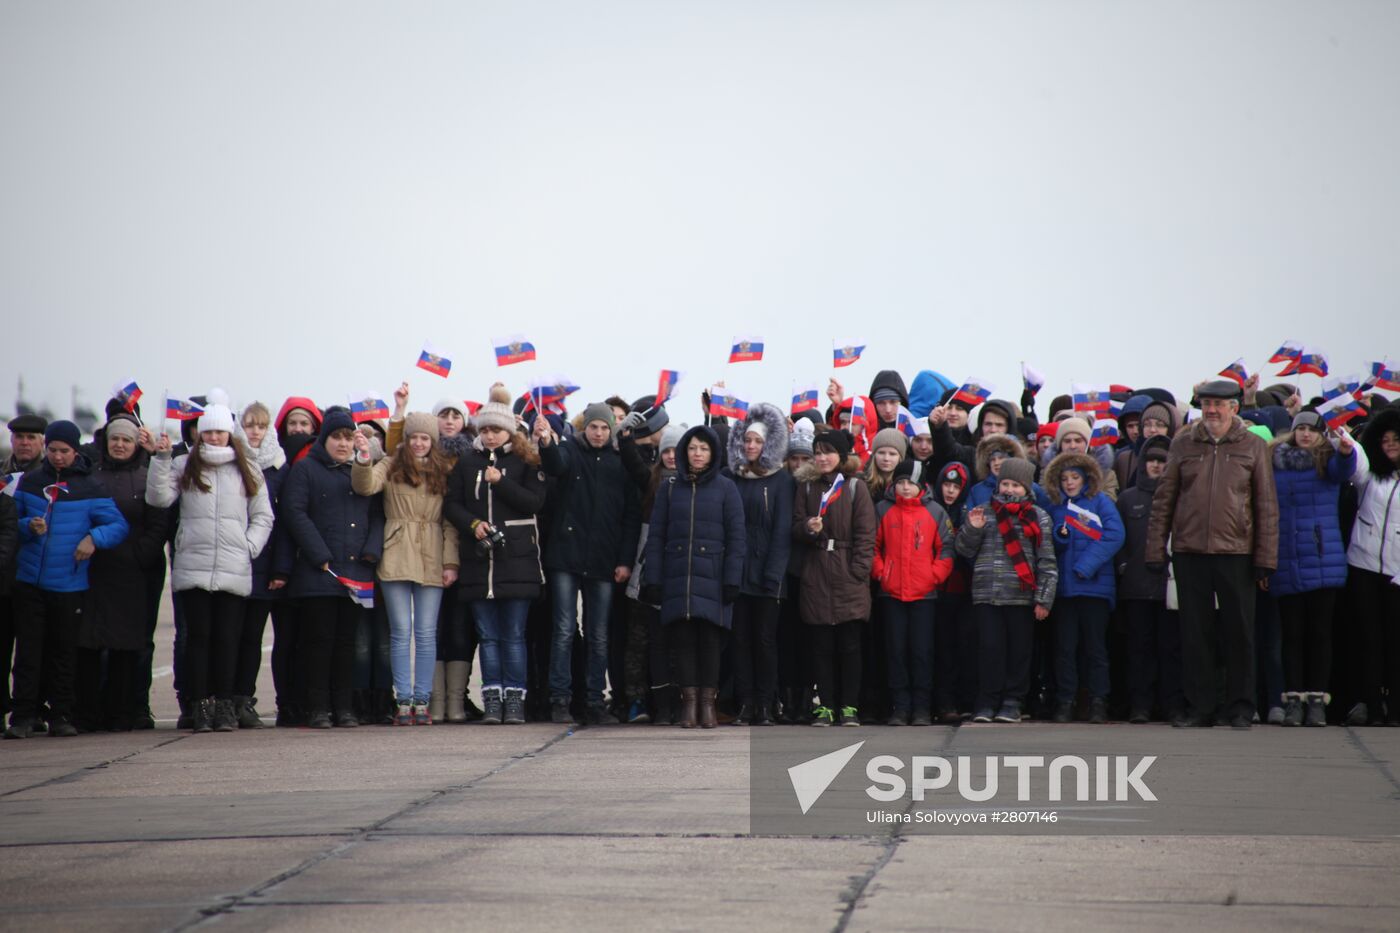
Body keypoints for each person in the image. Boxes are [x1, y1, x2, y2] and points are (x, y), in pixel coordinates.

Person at [1146, 379, 1278, 729]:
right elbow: (1164, 499)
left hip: (1236, 552)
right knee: (1195, 634)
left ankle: (1240, 708)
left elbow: (1266, 504)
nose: (1211, 410)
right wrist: (1156, 548)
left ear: (1234, 407)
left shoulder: (1253, 445)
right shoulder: (1183, 443)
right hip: (1189, 550)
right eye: (1206, 404)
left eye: (1218, 405)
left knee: (1239, 633)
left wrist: (1265, 558)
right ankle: (1200, 708)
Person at [146, 405, 274, 732]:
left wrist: (248, 546)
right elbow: (159, 499)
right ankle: (201, 704)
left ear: (230, 434)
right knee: (198, 639)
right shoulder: (183, 464)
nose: (214, 437)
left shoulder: (247, 468)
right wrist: (160, 459)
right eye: (209, 432)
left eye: (220, 432)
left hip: (233, 566)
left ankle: (225, 705)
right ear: (199, 433)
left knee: (227, 639)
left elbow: (263, 516)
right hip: (194, 565)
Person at [6, 421, 129, 739]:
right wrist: (27, 526)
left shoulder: (90, 486)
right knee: (28, 653)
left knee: (63, 653)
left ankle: (61, 714)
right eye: (53, 450)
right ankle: (23, 715)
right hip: (30, 581)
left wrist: (93, 538)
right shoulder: (31, 482)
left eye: (64, 451)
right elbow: (9, 520)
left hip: (69, 584)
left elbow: (117, 525)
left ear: (75, 451)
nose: (58, 457)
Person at [534, 402, 641, 725]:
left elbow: (630, 518)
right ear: (585, 427)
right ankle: (560, 699)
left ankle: (595, 701)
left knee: (599, 634)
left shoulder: (619, 462)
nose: (598, 433)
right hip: (566, 556)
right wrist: (546, 442)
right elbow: (555, 464)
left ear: (612, 430)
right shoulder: (570, 449)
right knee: (564, 630)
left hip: (604, 560)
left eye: (605, 428)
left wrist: (625, 560)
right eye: (594, 427)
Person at [277, 408, 384, 729]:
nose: (342, 443)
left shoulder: (360, 471)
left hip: (355, 573)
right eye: (336, 437)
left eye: (348, 437)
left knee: (346, 643)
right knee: (319, 642)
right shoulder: (306, 469)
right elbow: (294, 512)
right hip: (320, 572)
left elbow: (377, 514)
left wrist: (371, 551)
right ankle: (318, 707)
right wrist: (318, 553)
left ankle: (344, 707)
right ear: (324, 439)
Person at [446, 389, 546, 726]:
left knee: (513, 635)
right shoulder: (467, 462)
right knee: (488, 636)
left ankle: (515, 699)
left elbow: (534, 502)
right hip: (479, 564)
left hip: (517, 562)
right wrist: (473, 524)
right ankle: (492, 698)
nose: (490, 436)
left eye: (496, 430)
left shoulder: (526, 460)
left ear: (509, 432)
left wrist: (501, 481)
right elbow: (452, 504)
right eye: (485, 430)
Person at [353, 409, 459, 726]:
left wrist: (450, 562)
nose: (419, 443)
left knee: (426, 633)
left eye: (425, 438)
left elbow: (450, 522)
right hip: (397, 551)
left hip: (432, 553)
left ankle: (422, 701)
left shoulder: (444, 470)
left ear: (433, 441)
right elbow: (364, 486)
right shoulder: (390, 464)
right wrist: (363, 458)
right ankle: (403, 701)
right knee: (400, 632)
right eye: (414, 437)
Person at [642, 426, 745, 729]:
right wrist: (654, 578)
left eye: (704, 448)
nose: (697, 454)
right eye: (692, 448)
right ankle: (689, 705)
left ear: (713, 453)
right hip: (679, 577)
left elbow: (737, 538)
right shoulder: (669, 488)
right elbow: (656, 536)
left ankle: (708, 705)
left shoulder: (727, 488)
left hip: (713, 576)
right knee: (683, 641)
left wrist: (732, 579)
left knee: (710, 641)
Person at [1270, 411, 1365, 726]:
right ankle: (1293, 701)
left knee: (1320, 634)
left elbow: (1344, 470)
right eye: (1301, 428)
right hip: (1286, 556)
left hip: (1323, 557)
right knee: (1292, 635)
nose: (1306, 434)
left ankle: (1317, 702)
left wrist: (1346, 450)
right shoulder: (1276, 463)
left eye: (1312, 429)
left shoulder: (1327, 461)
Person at [77, 415, 169, 732]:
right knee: (90, 642)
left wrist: (140, 555)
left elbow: (159, 522)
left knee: (128, 644)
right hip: (94, 569)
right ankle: (89, 711)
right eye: (114, 439)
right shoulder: (91, 477)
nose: (119, 445)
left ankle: (125, 710)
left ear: (135, 445)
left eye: (126, 440)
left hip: (133, 572)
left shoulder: (147, 477)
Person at [955, 456, 1057, 724]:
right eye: (1005, 484)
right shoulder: (983, 511)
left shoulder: (1038, 516)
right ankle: (987, 701)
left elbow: (1046, 560)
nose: (1009, 489)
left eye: (1015, 485)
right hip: (987, 593)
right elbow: (963, 550)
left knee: (1019, 652)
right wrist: (973, 529)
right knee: (990, 649)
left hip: (1021, 596)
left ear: (1026, 488)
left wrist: (1044, 599)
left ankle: (1013, 701)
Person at [792, 429, 877, 727]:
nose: (822, 457)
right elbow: (795, 526)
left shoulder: (855, 487)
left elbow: (866, 534)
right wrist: (808, 528)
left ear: (840, 455)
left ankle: (849, 706)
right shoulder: (806, 487)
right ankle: (826, 706)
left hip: (847, 572)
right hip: (816, 572)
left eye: (827, 452)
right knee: (821, 647)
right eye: (818, 452)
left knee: (850, 646)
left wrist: (858, 571)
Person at [722, 403, 793, 726]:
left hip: (768, 576)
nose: (751, 446)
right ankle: (746, 703)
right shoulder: (731, 477)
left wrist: (773, 574)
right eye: (747, 440)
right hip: (737, 574)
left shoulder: (781, 480)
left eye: (758, 441)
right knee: (740, 641)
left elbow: (782, 531)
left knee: (765, 641)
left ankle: (765, 704)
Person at [1043, 451, 1125, 724]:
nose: (1069, 483)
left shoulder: (1100, 502)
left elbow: (1115, 535)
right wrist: (1060, 538)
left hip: (1094, 589)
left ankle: (1099, 701)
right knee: (1065, 649)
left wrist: (1086, 566)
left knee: (1095, 648)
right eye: (1064, 478)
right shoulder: (1055, 506)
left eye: (1074, 477)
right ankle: (1066, 701)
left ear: (1085, 478)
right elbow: (1048, 543)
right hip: (1065, 591)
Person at [872, 459, 954, 725]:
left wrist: (934, 575)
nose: (905, 488)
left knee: (921, 652)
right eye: (901, 482)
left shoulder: (935, 511)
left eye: (910, 483)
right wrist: (881, 572)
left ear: (921, 485)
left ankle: (921, 708)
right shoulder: (883, 509)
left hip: (924, 595)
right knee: (895, 651)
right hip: (892, 593)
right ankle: (900, 707)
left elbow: (946, 548)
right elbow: (872, 545)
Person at [1115, 436, 1182, 723]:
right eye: (1151, 460)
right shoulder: (1127, 498)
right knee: (1138, 649)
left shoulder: (1182, 496)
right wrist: (1123, 566)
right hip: (1136, 586)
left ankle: (1172, 706)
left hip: (1171, 585)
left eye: (1162, 460)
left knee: (1171, 649)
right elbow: (1118, 540)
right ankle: (1140, 705)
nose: (1156, 465)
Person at [233, 401, 286, 728]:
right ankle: (222, 698)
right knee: (229, 636)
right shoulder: (230, 461)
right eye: (250, 425)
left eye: (261, 426)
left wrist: (280, 568)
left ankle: (244, 699)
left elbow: (284, 522)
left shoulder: (279, 466)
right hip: (232, 562)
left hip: (265, 565)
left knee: (252, 638)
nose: (255, 432)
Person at [1347, 403, 1400, 725]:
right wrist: (1346, 441)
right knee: (1369, 639)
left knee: (1395, 640)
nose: (1390, 445)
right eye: (1384, 440)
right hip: (1364, 565)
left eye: (1396, 439)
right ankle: (1371, 704)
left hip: (1397, 571)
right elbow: (1356, 466)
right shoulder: (1371, 476)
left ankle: (1395, 706)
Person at [1, 413, 46, 723]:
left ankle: (31, 708)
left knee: (33, 651)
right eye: (20, 437)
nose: (25, 443)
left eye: (31, 438)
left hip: (34, 575)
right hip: (4, 576)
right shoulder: (3, 476)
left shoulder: (49, 478)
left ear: (42, 441)